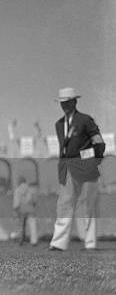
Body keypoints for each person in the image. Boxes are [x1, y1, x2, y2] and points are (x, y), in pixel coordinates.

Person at [49, 87, 105, 251]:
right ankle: (58, 243)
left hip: (86, 167)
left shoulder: (86, 120)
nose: (64, 106)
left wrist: (96, 160)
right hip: (67, 169)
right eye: (62, 103)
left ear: (75, 102)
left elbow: (98, 141)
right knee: (64, 204)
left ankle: (90, 243)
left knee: (87, 204)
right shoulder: (58, 124)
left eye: (67, 102)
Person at [12, 176, 38, 246]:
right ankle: (34, 241)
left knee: (21, 226)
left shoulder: (18, 190)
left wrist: (15, 210)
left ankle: (21, 240)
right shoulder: (30, 189)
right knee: (32, 226)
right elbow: (35, 201)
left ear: (19, 182)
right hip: (31, 209)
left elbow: (16, 202)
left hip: (21, 210)